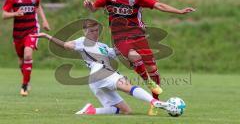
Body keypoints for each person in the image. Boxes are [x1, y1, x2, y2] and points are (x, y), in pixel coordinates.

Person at [83, 0, 195, 114]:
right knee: (133, 55)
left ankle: (155, 102)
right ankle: (148, 82)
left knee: (152, 69)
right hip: (119, 36)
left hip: (138, 35)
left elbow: (159, 5)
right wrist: (90, 6)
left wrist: (179, 11)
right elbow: (94, 8)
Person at [31, 19, 176, 115]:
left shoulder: (103, 46)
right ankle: (156, 102)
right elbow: (66, 45)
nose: (95, 33)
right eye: (91, 31)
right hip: (100, 72)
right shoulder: (82, 41)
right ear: (85, 32)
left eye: (96, 30)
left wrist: (132, 46)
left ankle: (91, 110)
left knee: (125, 111)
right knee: (127, 86)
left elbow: (119, 52)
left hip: (97, 80)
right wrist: (47, 37)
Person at [2, 0, 51, 96]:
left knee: (28, 55)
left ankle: (24, 86)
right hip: (18, 33)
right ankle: (27, 80)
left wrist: (44, 21)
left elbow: (38, 7)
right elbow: (4, 14)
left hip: (32, 30)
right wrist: (15, 14)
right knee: (21, 60)